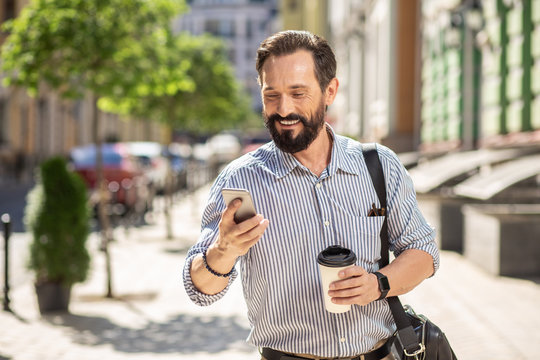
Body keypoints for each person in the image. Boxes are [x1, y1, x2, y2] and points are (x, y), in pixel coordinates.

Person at [183, 30, 439, 360]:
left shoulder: (378, 165)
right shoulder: (241, 180)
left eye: (298, 93)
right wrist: (223, 250)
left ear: (329, 90)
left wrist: (378, 284)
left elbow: (423, 251)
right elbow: (200, 290)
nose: (283, 109)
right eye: (271, 94)